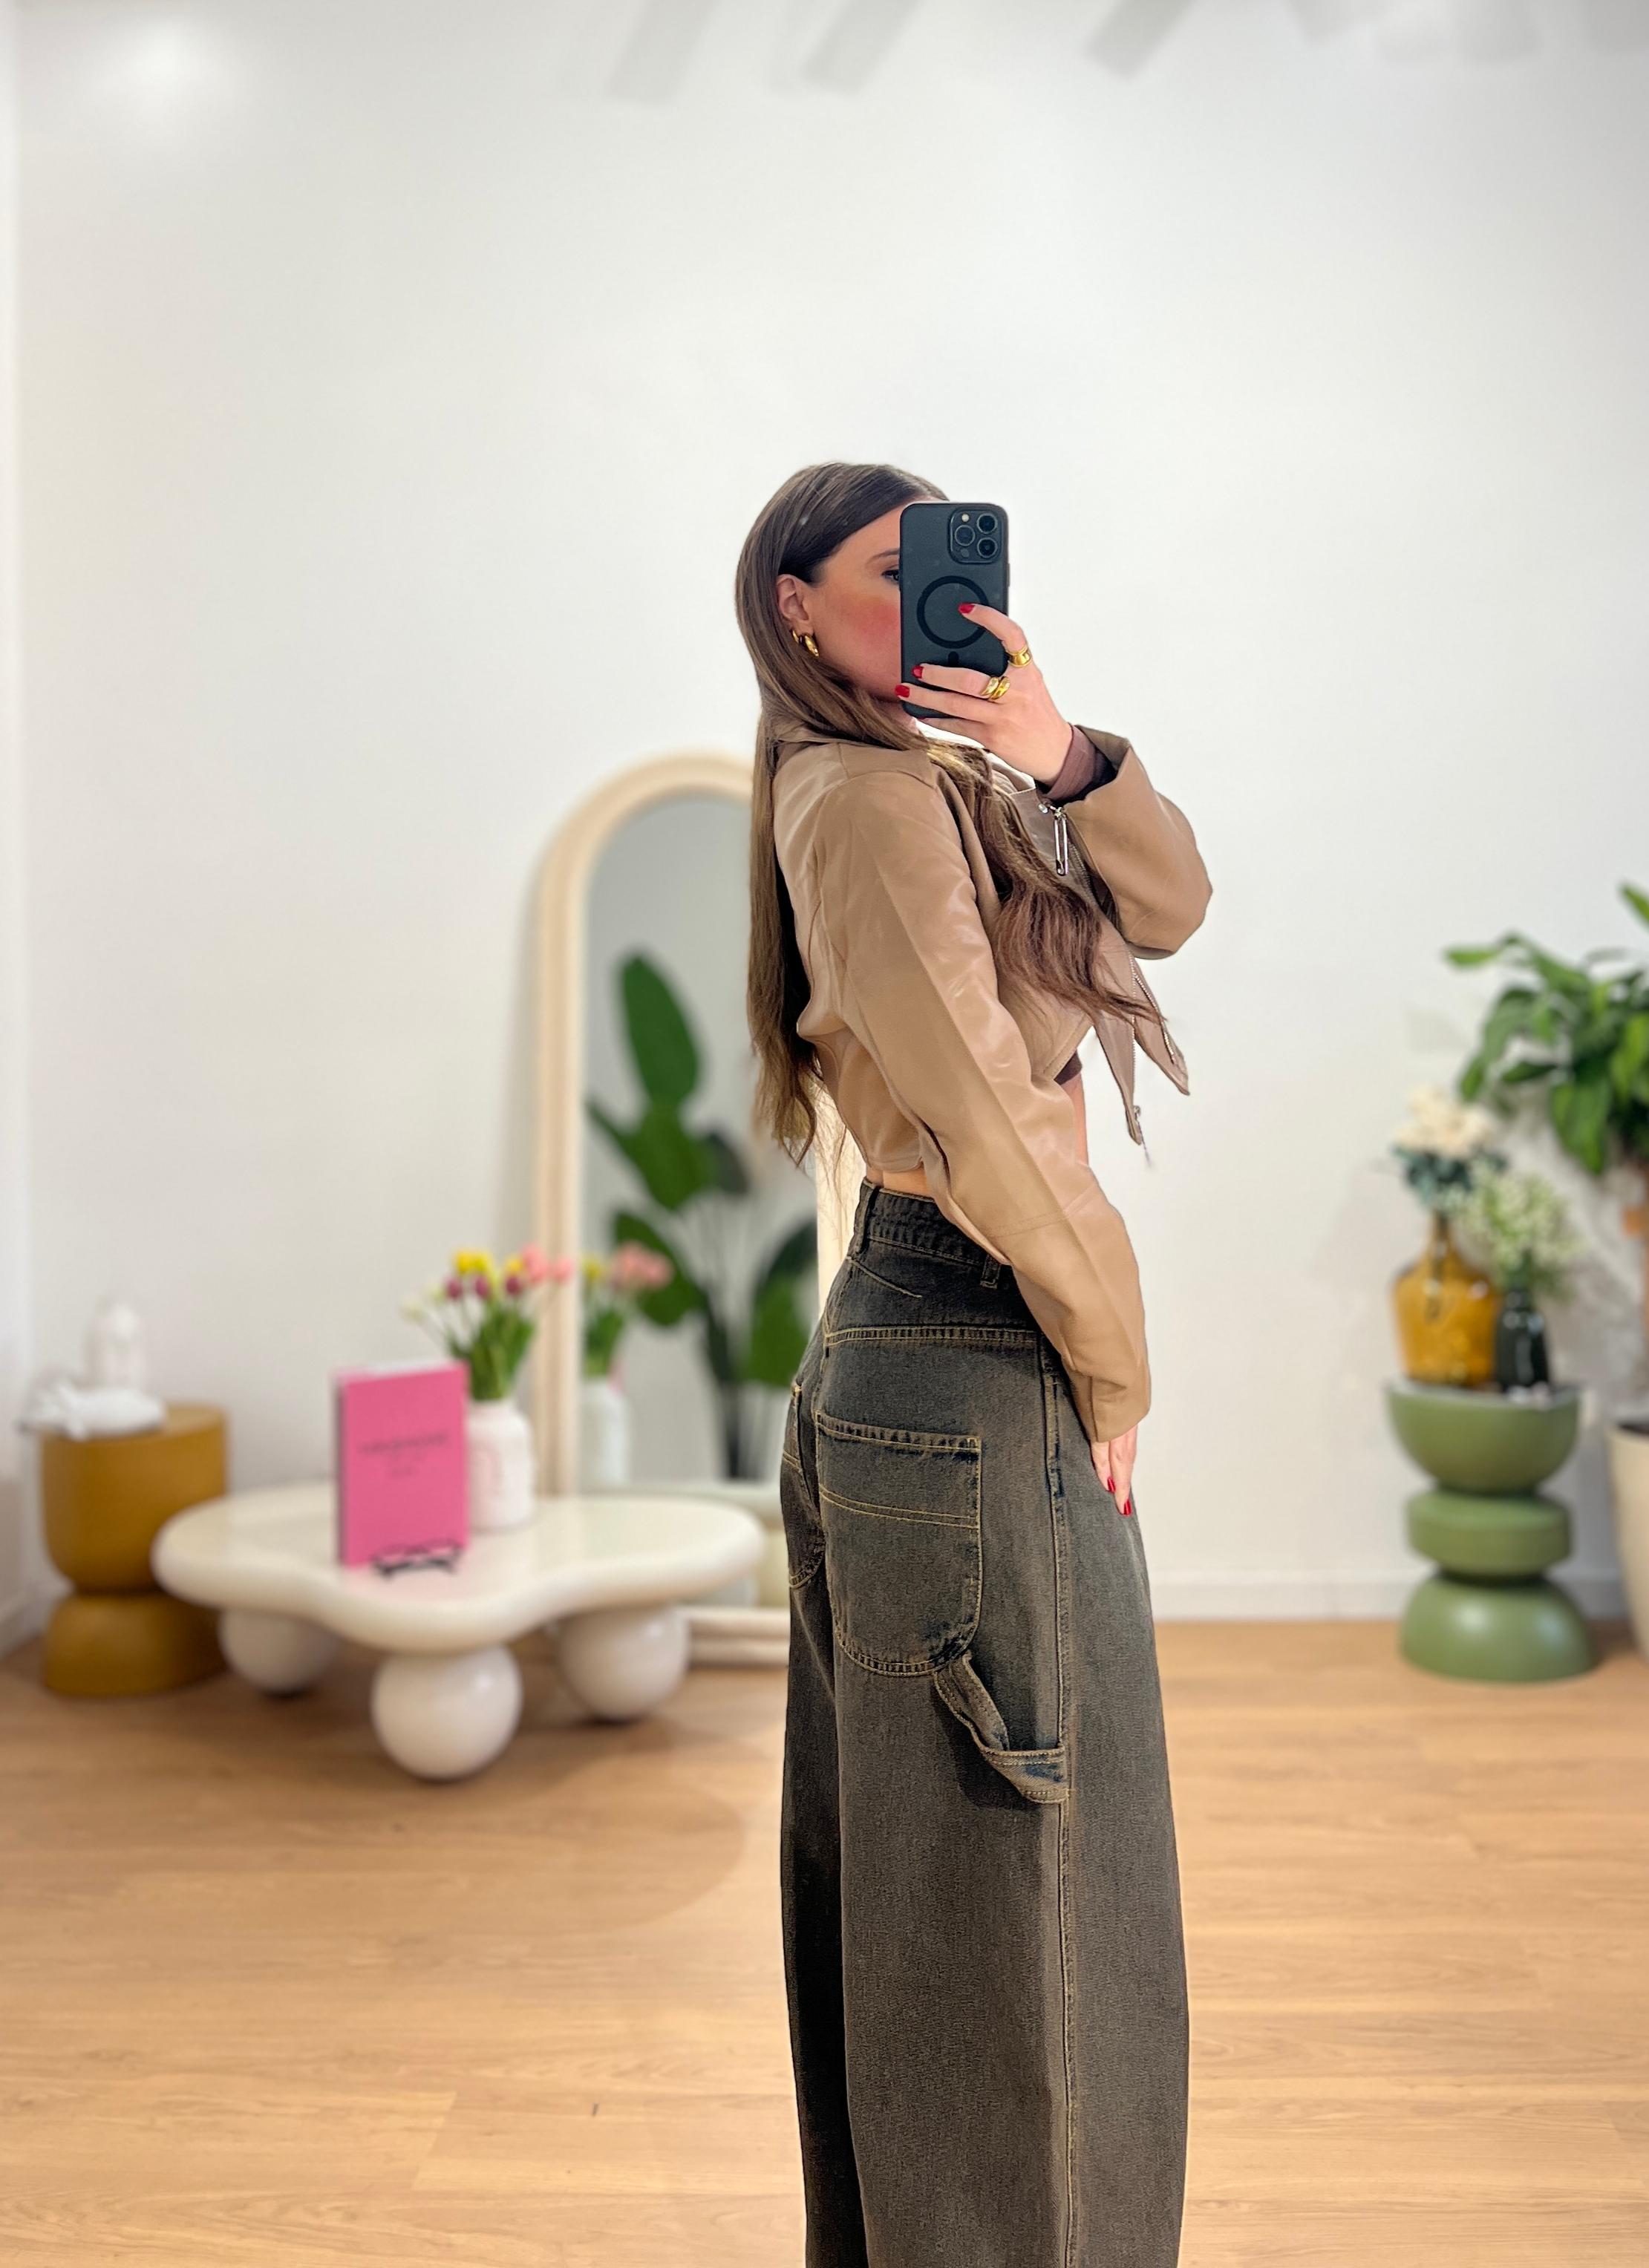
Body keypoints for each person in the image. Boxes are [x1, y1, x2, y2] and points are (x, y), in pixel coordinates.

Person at [737, 460, 1212, 2267]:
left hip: (934, 1345)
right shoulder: (863, 800)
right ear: (794, 605)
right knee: (1023, 1935)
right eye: (886, 571)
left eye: (943, 569)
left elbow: (1168, 904)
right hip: (971, 1339)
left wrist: (1056, 745)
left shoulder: (937, 777)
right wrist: (1114, 1358)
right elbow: (992, 1117)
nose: (933, 601)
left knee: (966, 1919)